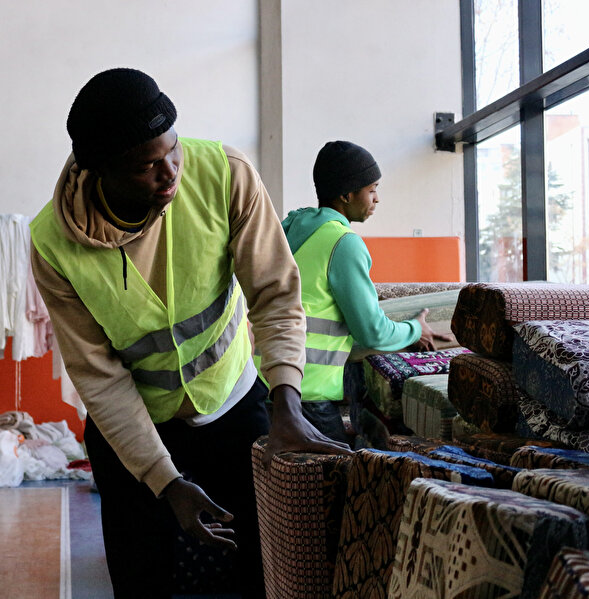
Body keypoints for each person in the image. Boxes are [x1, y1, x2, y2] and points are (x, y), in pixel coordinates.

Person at [30, 68, 350, 598]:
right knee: (141, 576)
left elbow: (275, 293)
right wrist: (164, 480)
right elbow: (99, 377)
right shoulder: (53, 245)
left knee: (263, 567)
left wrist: (285, 399)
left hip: (233, 401)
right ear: (100, 173)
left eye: (172, 149)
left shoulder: (225, 173)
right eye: (146, 166)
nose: (170, 172)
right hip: (135, 430)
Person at [280, 141, 454, 443]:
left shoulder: (290, 227)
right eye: (371, 189)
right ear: (347, 195)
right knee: (335, 482)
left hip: (265, 380)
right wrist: (415, 330)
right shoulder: (342, 242)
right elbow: (372, 332)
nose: (377, 199)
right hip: (307, 389)